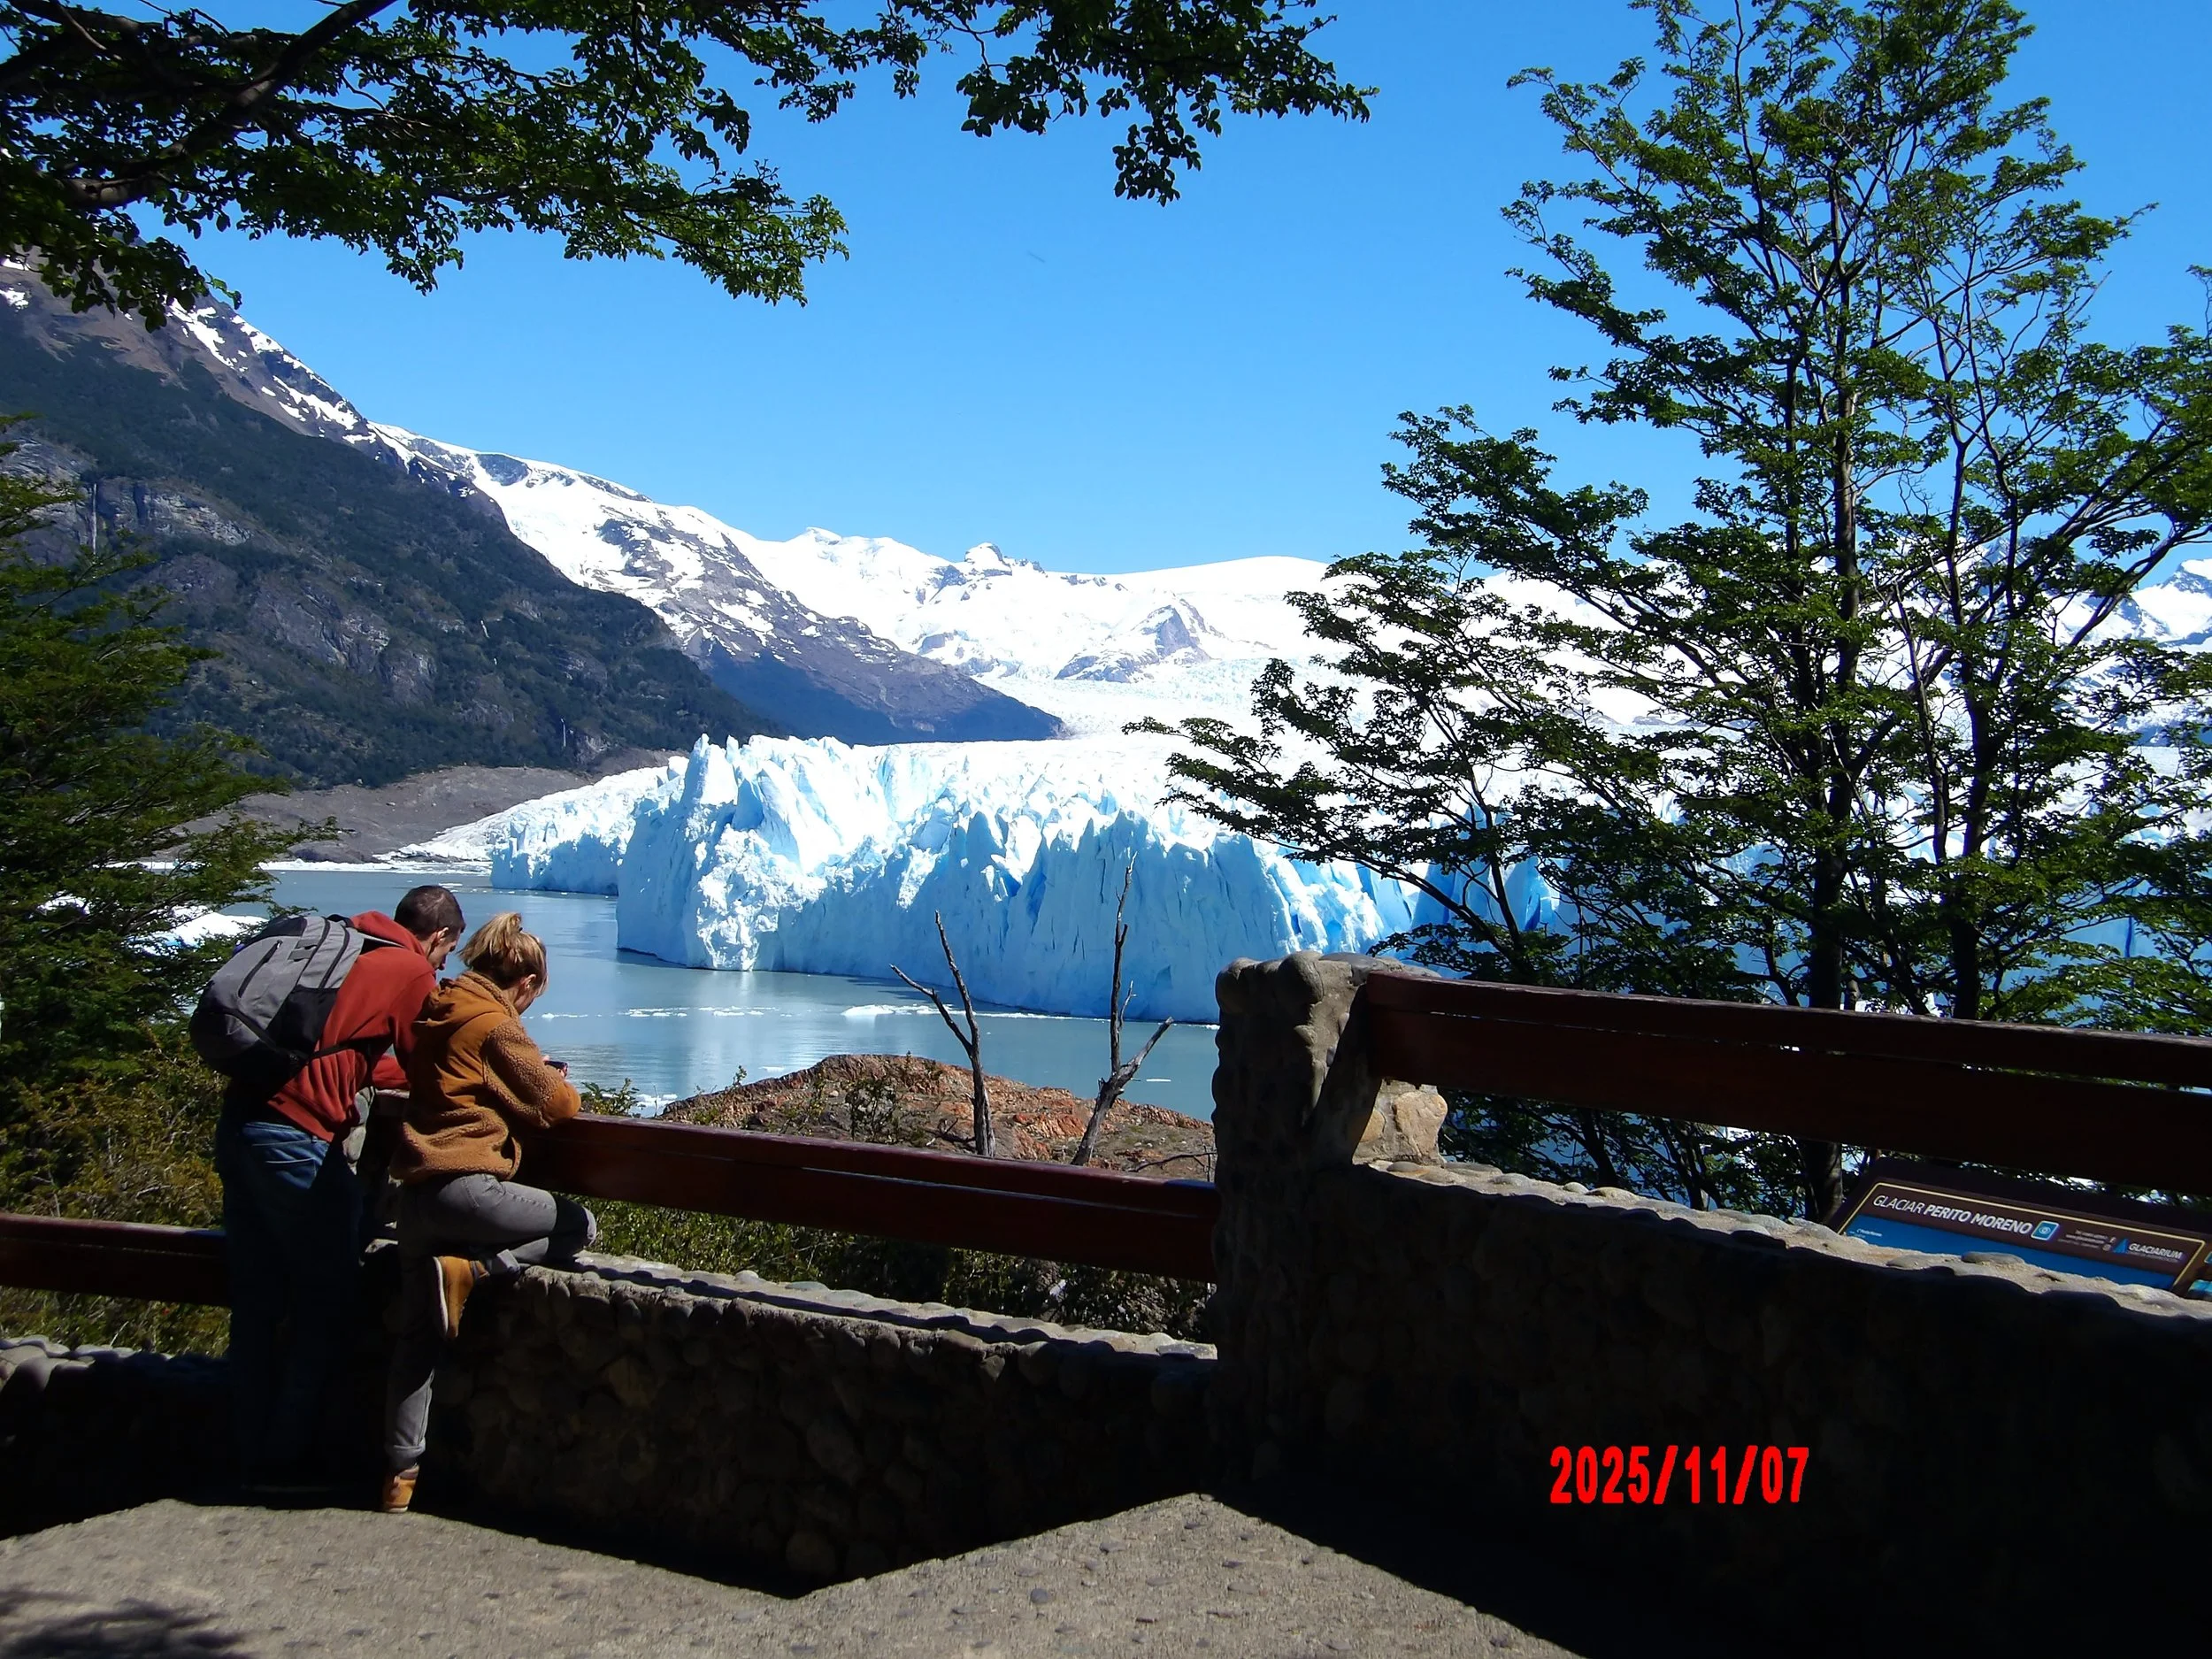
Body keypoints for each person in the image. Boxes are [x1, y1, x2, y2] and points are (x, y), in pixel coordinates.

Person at [215, 883, 465, 1491]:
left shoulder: (347, 942)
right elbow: (429, 1063)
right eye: (446, 955)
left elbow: (356, 1051)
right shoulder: (407, 968)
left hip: (242, 1125)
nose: (439, 968)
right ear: (438, 938)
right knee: (325, 1302)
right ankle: (283, 1464)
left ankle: (241, 1456)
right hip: (297, 1137)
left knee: (256, 1303)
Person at [380, 911, 596, 1515]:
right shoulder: (496, 1022)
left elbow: (462, 1083)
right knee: (580, 1225)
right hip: (470, 1191)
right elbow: (560, 1103)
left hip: (417, 1199)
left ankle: (399, 1474)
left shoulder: (443, 1008)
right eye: (534, 994)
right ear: (523, 981)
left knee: (417, 1341)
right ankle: (476, 1271)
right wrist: (541, 1074)